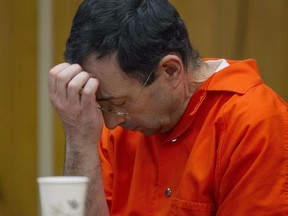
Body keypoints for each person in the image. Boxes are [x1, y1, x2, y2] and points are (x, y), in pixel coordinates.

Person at [48, 0, 288, 215]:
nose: (110, 124)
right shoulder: (117, 121)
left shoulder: (254, 122)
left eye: (119, 103)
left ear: (171, 71)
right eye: (104, 106)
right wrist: (79, 141)